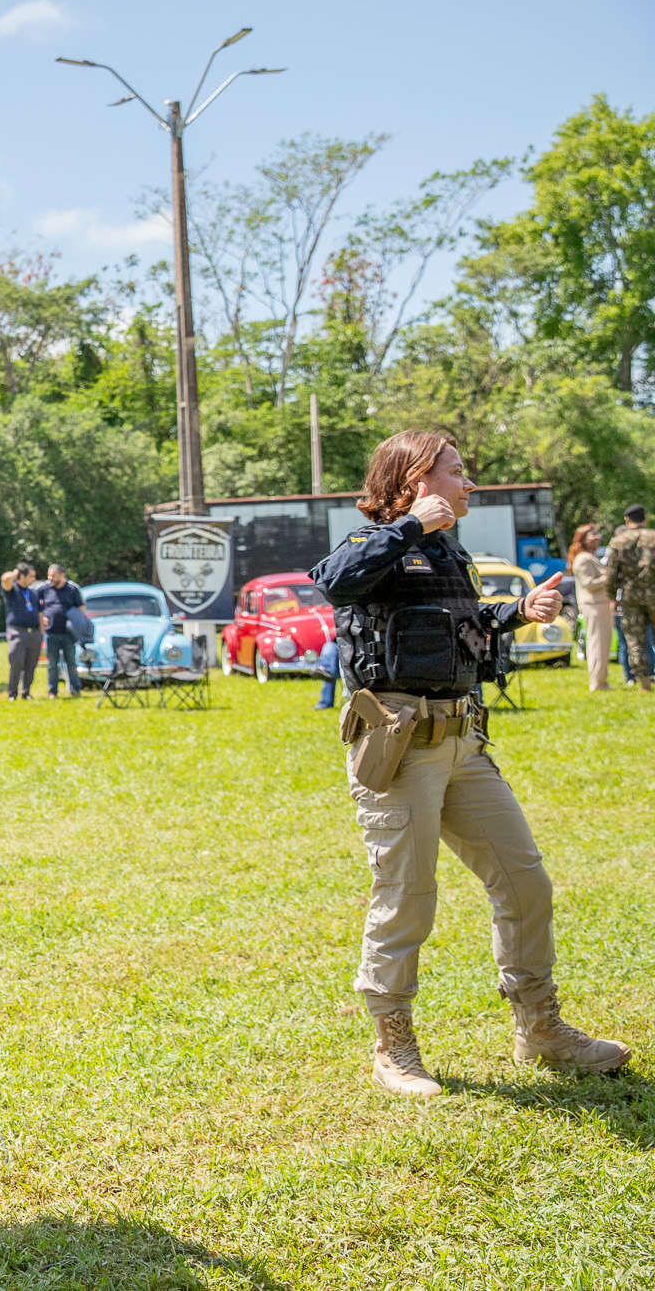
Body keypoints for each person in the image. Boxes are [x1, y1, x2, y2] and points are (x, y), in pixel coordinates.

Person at [313, 430, 630, 1099]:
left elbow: (462, 623)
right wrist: (405, 527)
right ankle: (392, 1045)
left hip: (463, 742)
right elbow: (332, 582)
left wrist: (517, 611)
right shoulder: (378, 541)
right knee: (406, 899)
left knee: (525, 881)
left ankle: (540, 1029)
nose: (469, 483)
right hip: (400, 747)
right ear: (416, 477)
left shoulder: (449, 550)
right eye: (457, 471)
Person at [605, 504, 655, 693]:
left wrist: (612, 596)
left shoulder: (618, 541)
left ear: (627, 520)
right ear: (645, 518)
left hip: (630, 597)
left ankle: (644, 685)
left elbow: (611, 574)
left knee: (635, 640)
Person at [568, 524, 611, 692]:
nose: (598, 537)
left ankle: (602, 681)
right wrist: (608, 577)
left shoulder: (589, 557)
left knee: (602, 644)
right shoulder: (584, 559)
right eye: (593, 534)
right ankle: (598, 683)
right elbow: (589, 584)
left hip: (599, 605)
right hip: (594, 605)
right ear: (583, 539)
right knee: (597, 644)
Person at [38, 563, 84, 698]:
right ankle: (53, 691)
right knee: (52, 664)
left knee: (71, 663)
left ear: (62, 575)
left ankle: (75, 689)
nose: (50, 578)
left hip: (68, 634)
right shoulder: (44, 589)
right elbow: (36, 606)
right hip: (51, 634)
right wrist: (41, 618)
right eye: (49, 575)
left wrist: (78, 625)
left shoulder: (72, 589)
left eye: (53, 575)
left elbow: (81, 608)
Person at [0, 562, 42, 702]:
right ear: (21, 576)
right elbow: (5, 579)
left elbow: (39, 613)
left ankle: (26, 692)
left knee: (31, 664)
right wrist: (16, 572)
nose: (33, 579)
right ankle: (12, 693)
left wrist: (42, 632)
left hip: (34, 632)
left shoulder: (33, 593)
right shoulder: (12, 590)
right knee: (17, 662)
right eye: (30, 576)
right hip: (17, 632)